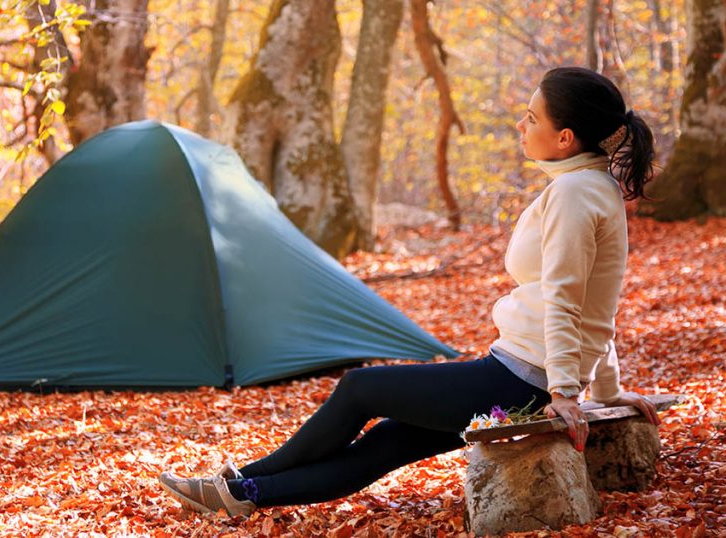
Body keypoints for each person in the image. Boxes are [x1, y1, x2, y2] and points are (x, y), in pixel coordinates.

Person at [157, 67, 663, 516]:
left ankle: (238, 480)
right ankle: (244, 492)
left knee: (361, 388)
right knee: (385, 443)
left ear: (565, 138)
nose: (521, 126)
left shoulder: (575, 194)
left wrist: (568, 395)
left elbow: (569, 298)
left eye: (531, 118)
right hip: (525, 371)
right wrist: (605, 389)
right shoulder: (591, 187)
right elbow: (600, 302)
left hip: (523, 378)